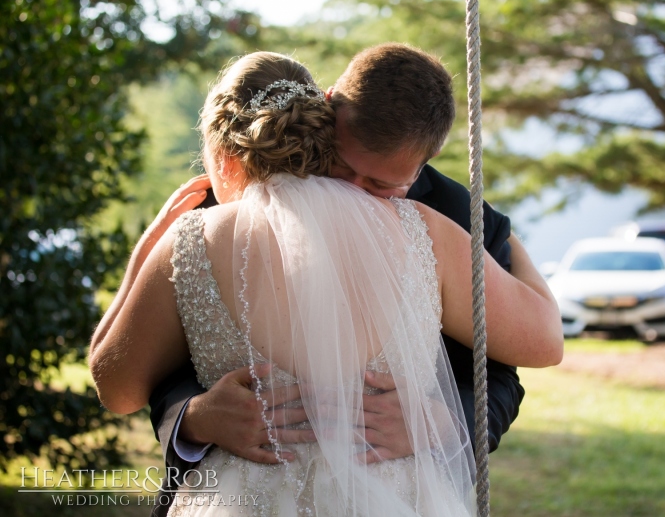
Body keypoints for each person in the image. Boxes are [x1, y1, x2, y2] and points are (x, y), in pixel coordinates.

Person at [91, 49, 562, 515]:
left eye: (379, 186)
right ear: (325, 109)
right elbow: (133, 381)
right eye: (342, 166)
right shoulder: (425, 230)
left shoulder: (454, 217)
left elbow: (516, 361)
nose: (355, 194)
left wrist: (440, 420)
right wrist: (192, 418)